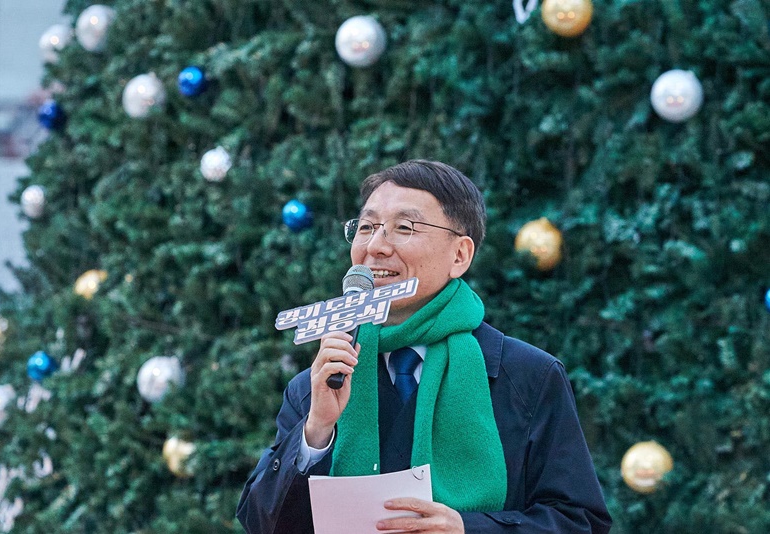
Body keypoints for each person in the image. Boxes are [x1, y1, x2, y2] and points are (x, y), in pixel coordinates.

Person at [237, 160, 611, 533]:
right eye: (366, 227)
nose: (375, 247)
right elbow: (263, 524)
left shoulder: (527, 376)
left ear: (460, 255)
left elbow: (580, 522)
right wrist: (316, 431)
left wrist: (468, 529)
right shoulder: (319, 384)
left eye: (404, 228)